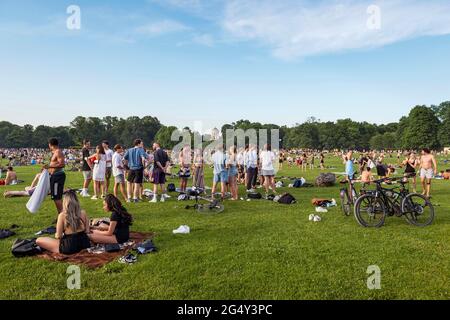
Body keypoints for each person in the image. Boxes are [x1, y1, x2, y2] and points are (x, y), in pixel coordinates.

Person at [45, 138, 66, 215]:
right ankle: (61, 215)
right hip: (55, 176)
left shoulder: (58, 152)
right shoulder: (55, 152)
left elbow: (62, 164)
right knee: (55, 196)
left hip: (58, 176)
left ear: (50, 145)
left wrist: (50, 166)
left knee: (57, 197)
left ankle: (62, 216)